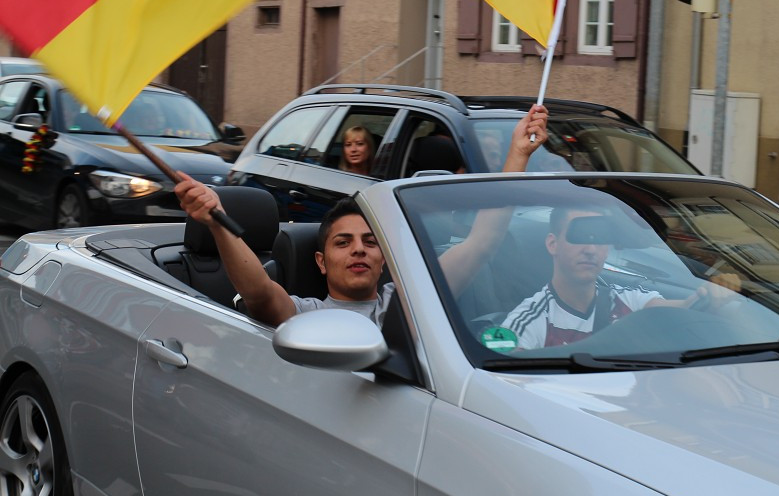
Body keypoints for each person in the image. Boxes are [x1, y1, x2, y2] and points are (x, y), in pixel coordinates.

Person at [174, 104, 548, 328]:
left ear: (383, 258)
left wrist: (518, 155)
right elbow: (256, 291)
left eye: (370, 242)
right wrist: (217, 222)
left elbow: (481, 242)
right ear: (320, 261)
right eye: (343, 242)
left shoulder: (409, 302)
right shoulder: (306, 314)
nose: (359, 250)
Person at [501, 207, 737, 350]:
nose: (591, 249)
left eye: (600, 238)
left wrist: (713, 294)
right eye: (580, 236)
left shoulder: (630, 300)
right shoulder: (527, 321)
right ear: (553, 244)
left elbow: (682, 309)